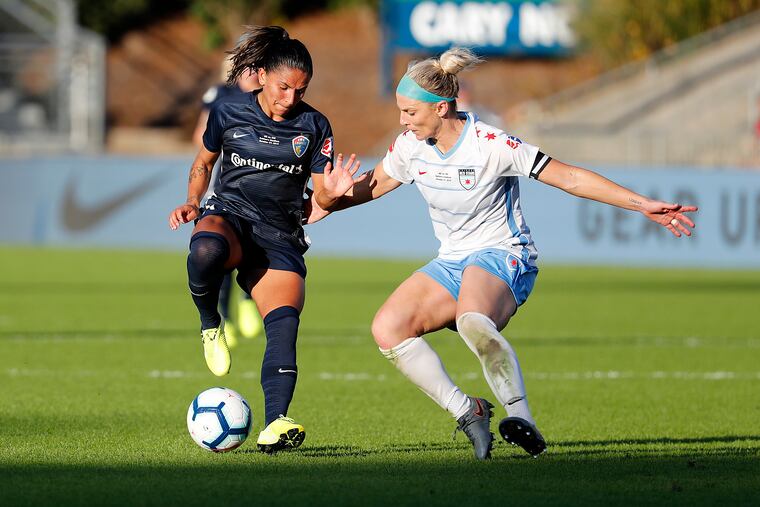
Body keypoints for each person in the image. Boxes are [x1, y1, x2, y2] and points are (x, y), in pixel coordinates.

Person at [314, 48, 697, 460]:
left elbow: (568, 177)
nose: (402, 121)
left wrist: (642, 205)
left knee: (472, 321)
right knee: (388, 328)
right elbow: (367, 189)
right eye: (401, 112)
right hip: (452, 261)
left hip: (503, 255)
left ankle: (522, 420)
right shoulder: (411, 147)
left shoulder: (492, 144)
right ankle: (468, 410)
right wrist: (328, 198)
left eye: (410, 112)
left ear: (441, 107)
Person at [169, 25, 333, 453]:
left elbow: (323, 193)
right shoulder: (228, 112)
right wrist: (192, 201)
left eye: (300, 90)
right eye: (283, 87)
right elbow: (203, 163)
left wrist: (334, 191)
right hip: (230, 215)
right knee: (206, 247)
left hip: (279, 234)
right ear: (260, 76)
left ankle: (277, 422)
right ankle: (210, 324)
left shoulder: (314, 125)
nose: (290, 98)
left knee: (283, 327)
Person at [191, 55, 264, 346]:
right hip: (226, 183)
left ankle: (248, 298)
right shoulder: (221, 95)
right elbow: (201, 135)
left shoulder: (271, 97)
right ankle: (225, 318)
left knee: (255, 244)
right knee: (218, 251)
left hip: (261, 187)